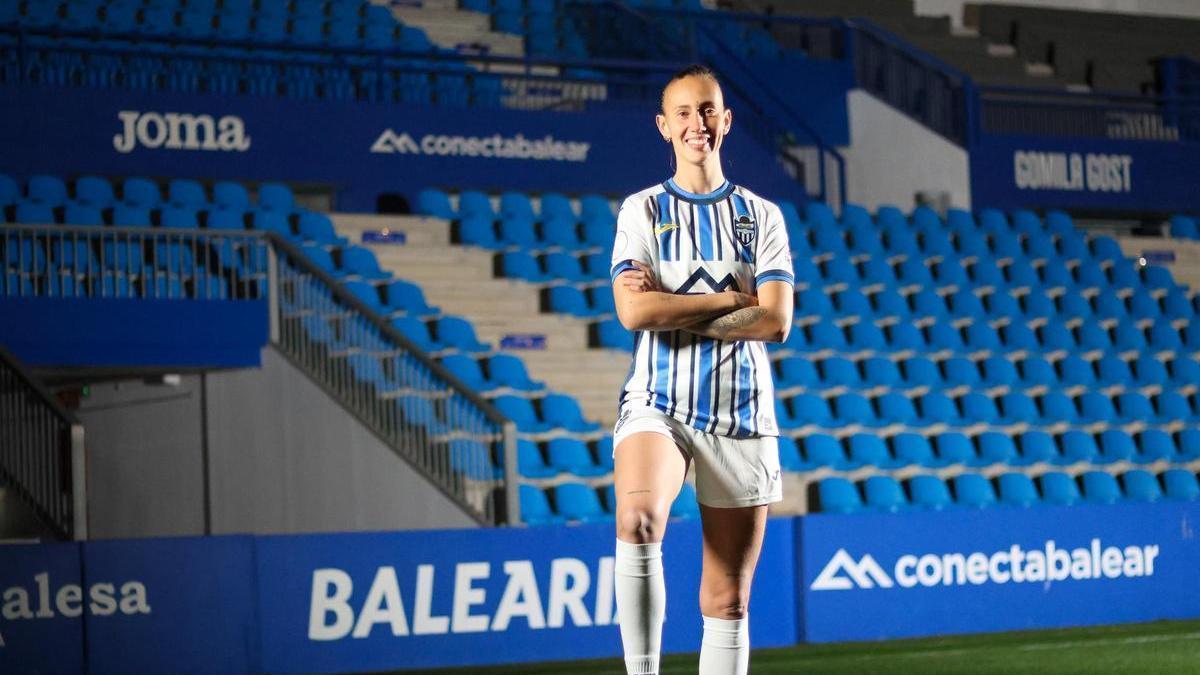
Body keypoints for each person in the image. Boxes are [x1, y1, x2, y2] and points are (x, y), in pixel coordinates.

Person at [608, 64, 794, 675]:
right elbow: (634, 312)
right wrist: (722, 300)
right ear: (664, 127)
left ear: (727, 121)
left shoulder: (761, 217)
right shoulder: (641, 210)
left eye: (708, 110)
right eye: (684, 113)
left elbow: (774, 322)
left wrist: (673, 307)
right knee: (637, 521)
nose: (698, 124)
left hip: (740, 414)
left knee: (727, 599)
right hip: (658, 399)